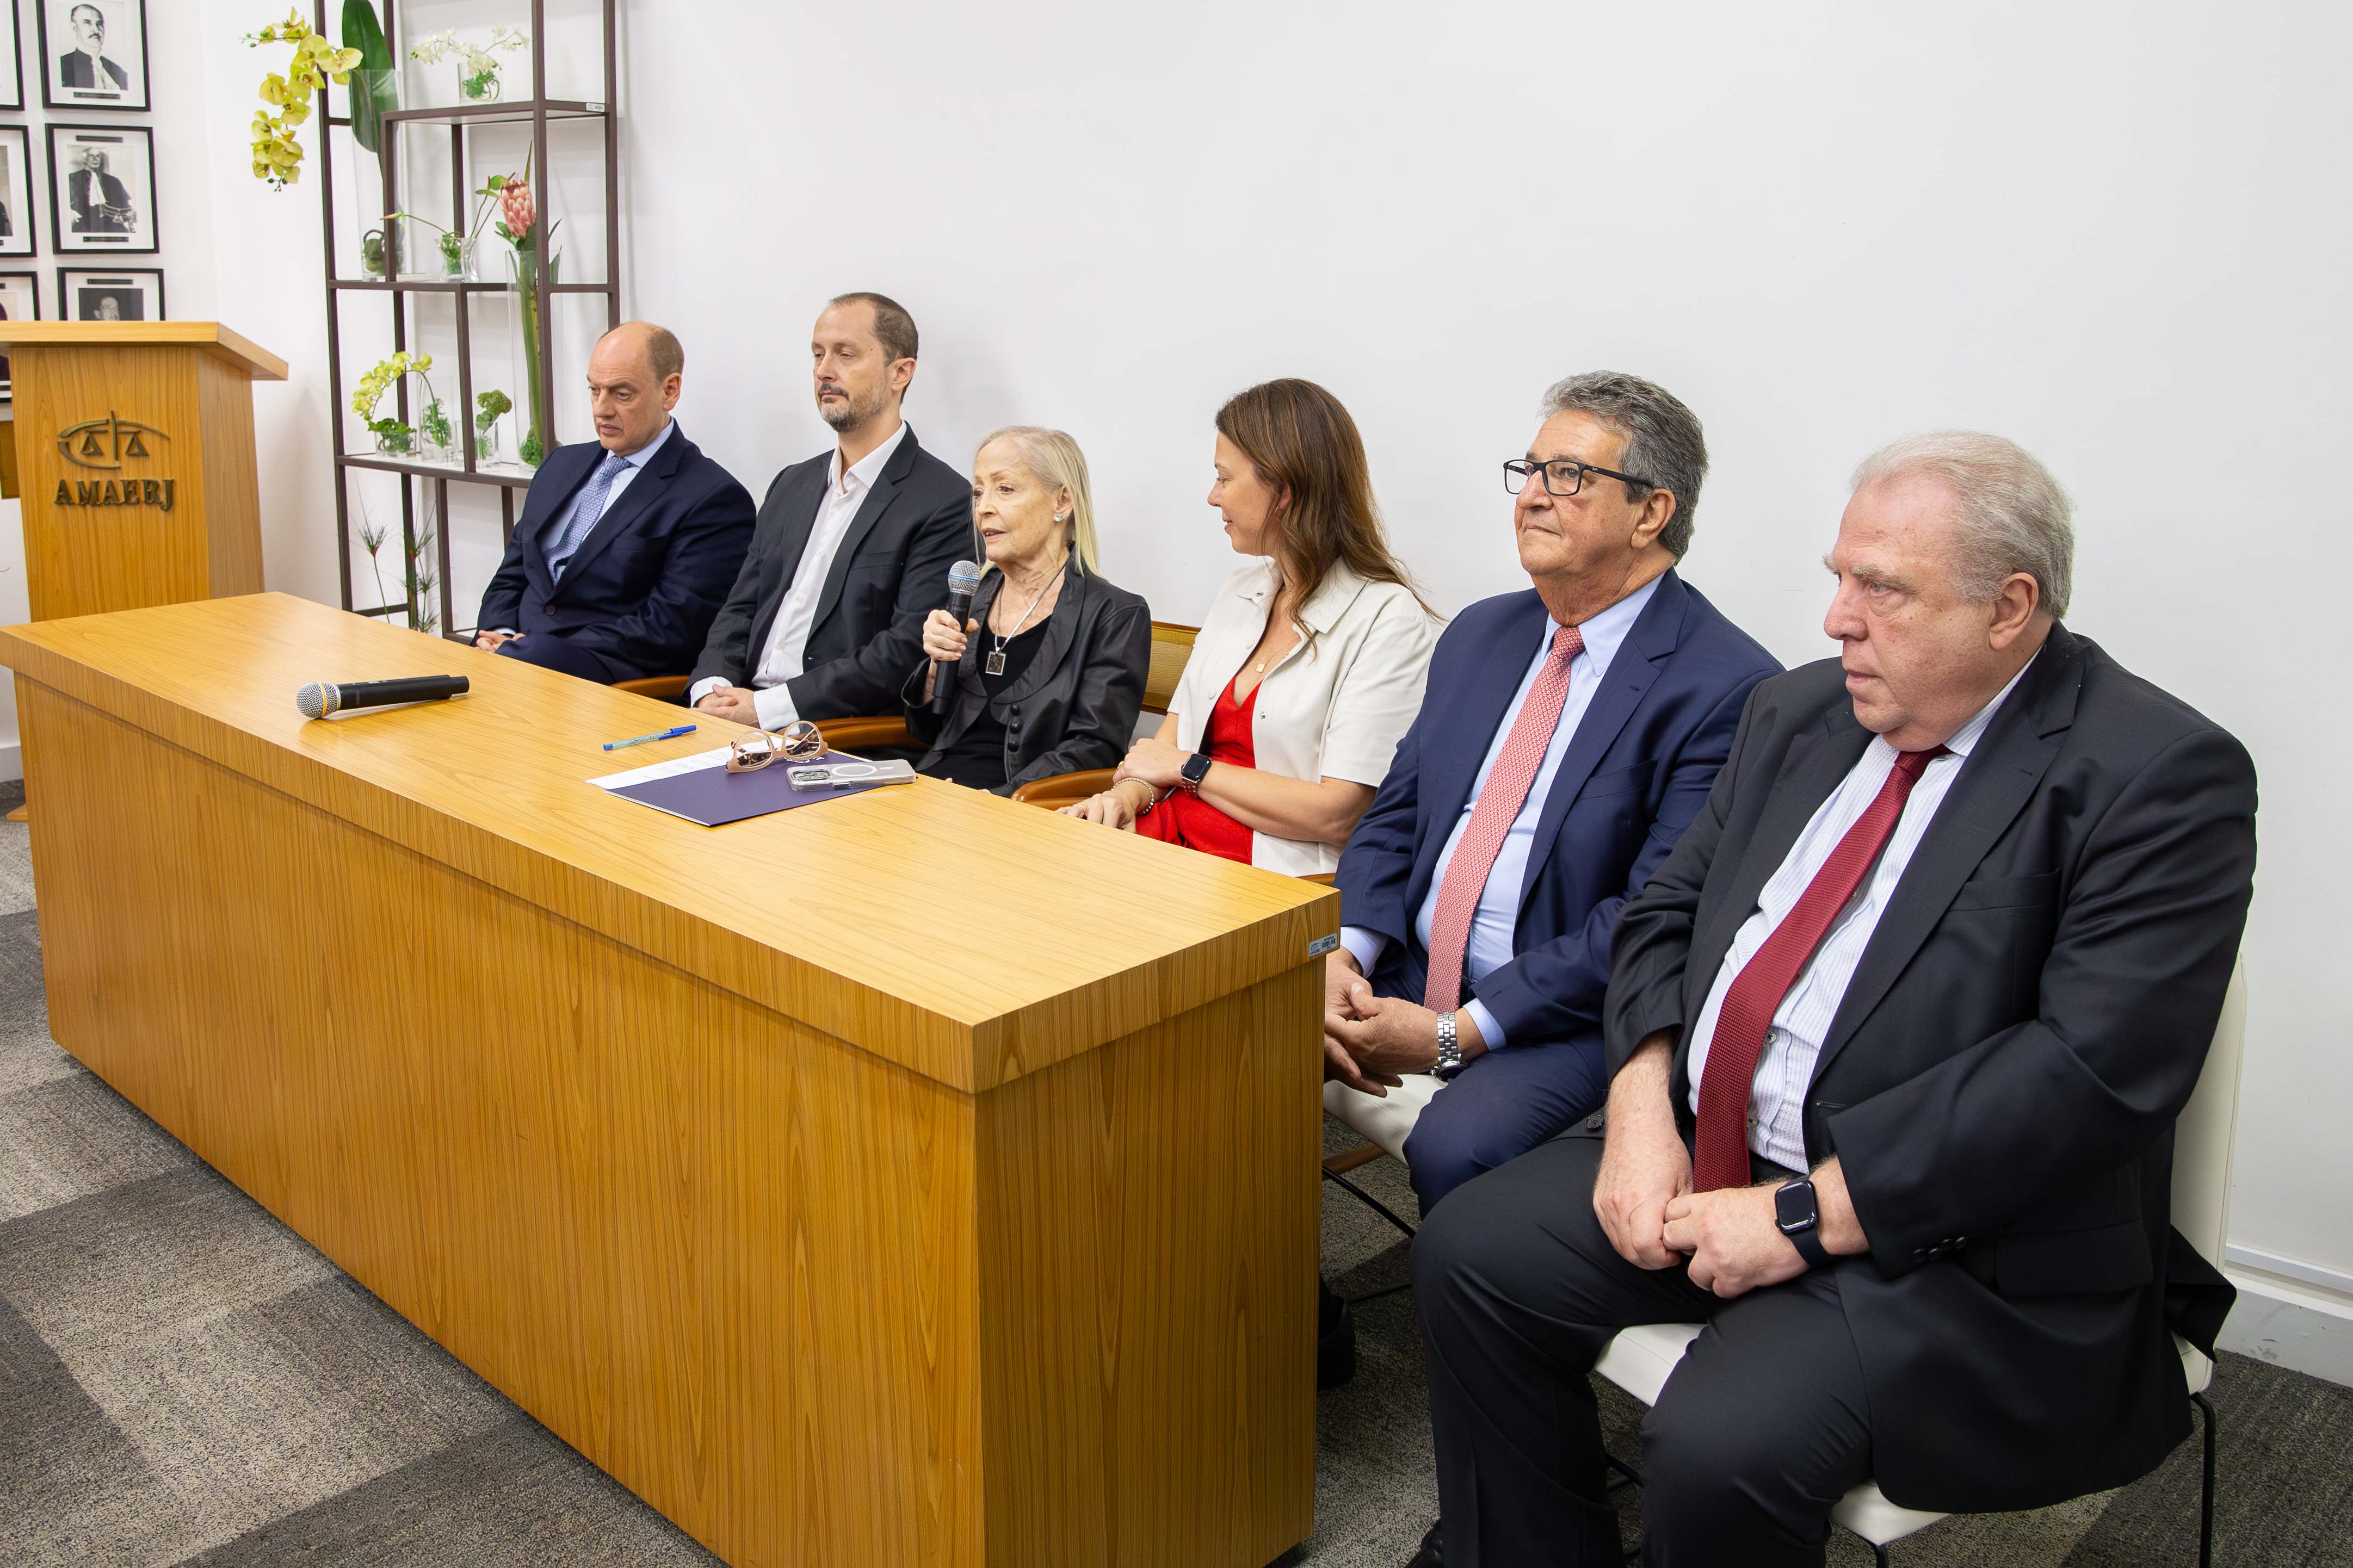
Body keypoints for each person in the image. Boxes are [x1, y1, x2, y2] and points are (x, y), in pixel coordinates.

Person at [1405, 432, 2256, 1568]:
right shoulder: (1795, 714)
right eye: (1836, 576)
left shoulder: (2153, 775)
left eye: (1880, 589)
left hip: (1948, 1238)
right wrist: (1640, 1102)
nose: (1834, 619)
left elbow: (2085, 1076)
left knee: (1719, 1441)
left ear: (2007, 607)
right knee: (1470, 1252)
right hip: (1715, 1147)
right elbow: (1662, 912)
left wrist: (1803, 1217)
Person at [1325, 372, 1780, 1219]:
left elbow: (1650, 916)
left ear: (1651, 512)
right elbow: (1394, 817)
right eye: (1527, 471)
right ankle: (1279, 1322)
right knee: (1219, 1042)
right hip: (1407, 962)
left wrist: (1457, 1033)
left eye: (1567, 476)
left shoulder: (1730, 687)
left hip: (1565, 1011)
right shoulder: (1480, 633)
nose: (1531, 497)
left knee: (1457, 1147)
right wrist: (1344, 955)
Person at [1062, 377, 1438, 875]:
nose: (1212, 497)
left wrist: (1190, 770)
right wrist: (1124, 798)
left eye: (1224, 478)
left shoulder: (1389, 620)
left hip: (1269, 877)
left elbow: (1340, 814)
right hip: (1170, 839)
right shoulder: (1241, 590)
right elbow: (1166, 746)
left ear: (1283, 489)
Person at [689, 293, 969, 727]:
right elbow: (739, 609)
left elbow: (904, 650)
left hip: (830, 734)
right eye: (818, 354)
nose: (824, 370)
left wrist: (765, 710)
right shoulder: (792, 483)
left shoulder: (944, 500)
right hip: (732, 717)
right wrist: (711, 689)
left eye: (846, 354)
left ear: (900, 373)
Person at [473, 322, 755, 685]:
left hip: (608, 672)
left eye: (622, 394)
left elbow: (669, 626)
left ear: (669, 391)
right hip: (516, 653)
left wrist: (535, 648)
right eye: (595, 390)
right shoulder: (560, 465)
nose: (601, 410)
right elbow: (512, 574)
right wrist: (498, 633)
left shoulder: (712, 497)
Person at [903, 427, 1150, 794]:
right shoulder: (973, 593)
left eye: (1005, 489)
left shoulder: (1116, 614)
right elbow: (925, 730)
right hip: (933, 793)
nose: (983, 506)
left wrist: (995, 802)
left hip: (1024, 813)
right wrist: (935, 668)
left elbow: (1092, 750)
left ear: (1062, 502)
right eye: (978, 491)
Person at [58, 4, 129, 91]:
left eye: (99, 24)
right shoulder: (63, 66)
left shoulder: (118, 71)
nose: (96, 30)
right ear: (74, 27)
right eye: (87, 23)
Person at [66, 149, 134, 234]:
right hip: (83, 222)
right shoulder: (73, 178)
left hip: (109, 222)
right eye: (92, 156)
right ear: (85, 159)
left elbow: (125, 204)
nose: (96, 159)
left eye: (98, 156)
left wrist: (124, 215)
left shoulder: (113, 181)